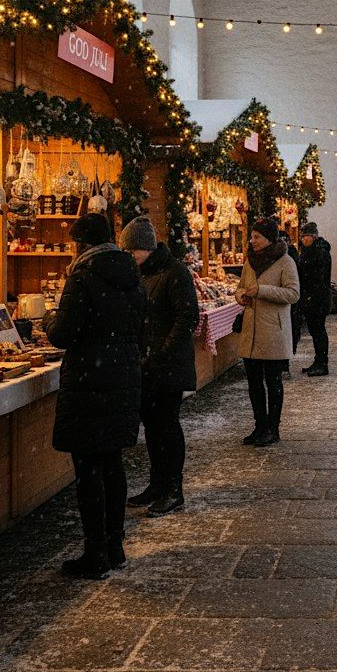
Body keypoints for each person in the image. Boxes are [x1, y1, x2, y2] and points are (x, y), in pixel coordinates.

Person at [44, 213, 145, 579]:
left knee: (88, 471)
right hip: (121, 378)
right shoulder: (131, 275)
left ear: (82, 244)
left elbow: (64, 334)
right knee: (113, 465)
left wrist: (47, 321)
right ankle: (114, 545)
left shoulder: (82, 275)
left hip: (89, 380)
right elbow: (137, 325)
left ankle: (95, 553)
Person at [119, 215, 199, 518]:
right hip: (146, 365)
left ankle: (173, 489)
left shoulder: (175, 272)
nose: (129, 257)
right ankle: (157, 484)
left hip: (168, 366)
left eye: (131, 251)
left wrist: (161, 354)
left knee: (166, 426)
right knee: (152, 427)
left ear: (147, 248)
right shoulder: (139, 273)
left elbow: (186, 318)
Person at [236, 218, 300, 445]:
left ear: (269, 238)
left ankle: (273, 428)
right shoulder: (249, 262)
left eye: (257, 237)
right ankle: (259, 425)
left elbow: (293, 294)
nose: (252, 241)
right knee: (253, 383)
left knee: (273, 382)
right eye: (251, 236)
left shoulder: (285, 262)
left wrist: (262, 290)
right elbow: (241, 286)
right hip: (251, 331)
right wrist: (240, 295)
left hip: (273, 330)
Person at [298, 222, 332, 377]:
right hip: (314, 297)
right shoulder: (311, 250)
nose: (302, 239)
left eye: (304, 236)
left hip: (317, 299)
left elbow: (315, 277)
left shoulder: (319, 252)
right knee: (316, 331)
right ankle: (318, 361)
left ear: (312, 236)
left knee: (318, 331)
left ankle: (322, 364)